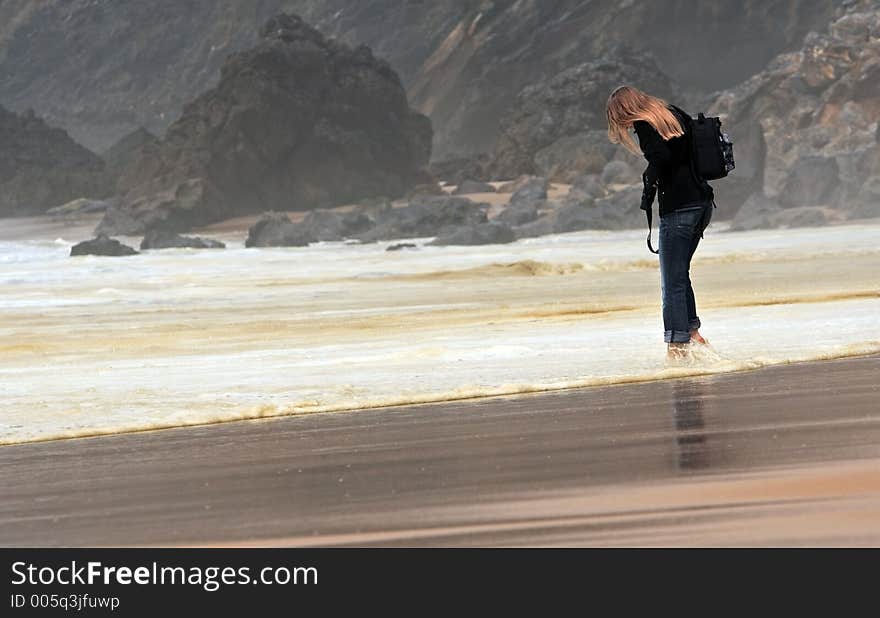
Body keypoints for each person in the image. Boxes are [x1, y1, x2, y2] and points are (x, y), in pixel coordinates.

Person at [606, 85, 714, 360]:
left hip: (678, 209)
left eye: (619, 117)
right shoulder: (672, 114)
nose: (624, 125)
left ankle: (676, 348)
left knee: (671, 282)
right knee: (680, 274)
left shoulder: (646, 124)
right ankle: (692, 332)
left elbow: (662, 158)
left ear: (625, 110)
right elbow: (680, 155)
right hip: (700, 203)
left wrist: (649, 177)